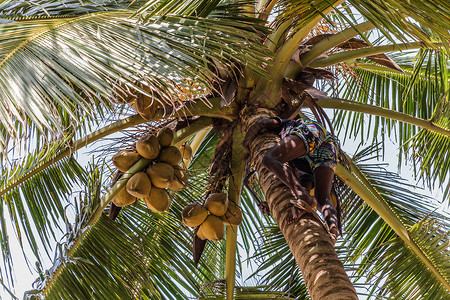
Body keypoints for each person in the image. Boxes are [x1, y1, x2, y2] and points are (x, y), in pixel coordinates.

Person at [242, 116, 341, 241]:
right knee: (322, 199)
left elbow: (261, 123)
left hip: (311, 130)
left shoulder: (284, 124)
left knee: (269, 159)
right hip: (330, 146)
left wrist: (245, 144)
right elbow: (306, 181)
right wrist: (271, 204)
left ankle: (303, 197)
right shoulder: (297, 159)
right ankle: (333, 229)